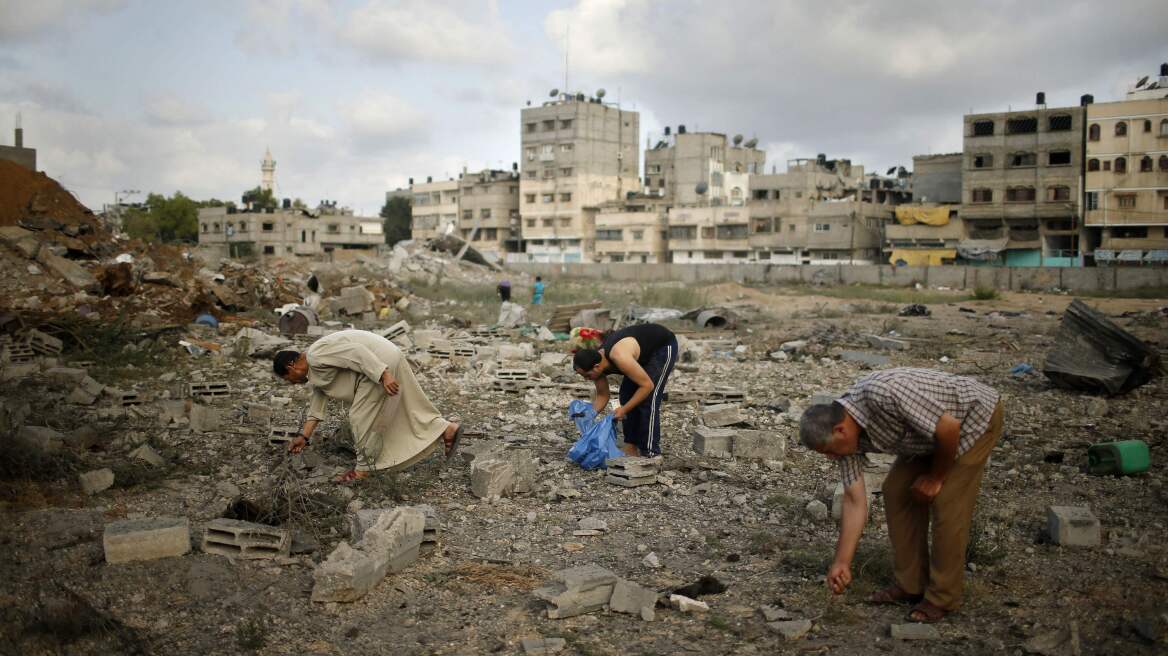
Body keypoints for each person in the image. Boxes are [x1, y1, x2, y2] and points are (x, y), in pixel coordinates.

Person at [799, 368, 1003, 623]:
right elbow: (854, 500)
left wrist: (935, 478)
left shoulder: (882, 394)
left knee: (947, 501)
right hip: (928, 438)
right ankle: (911, 584)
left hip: (974, 419)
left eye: (828, 451)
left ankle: (942, 597)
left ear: (840, 431)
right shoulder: (845, 439)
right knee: (896, 490)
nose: (831, 458)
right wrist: (841, 562)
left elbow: (949, 428)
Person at [273, 329, 462, 482]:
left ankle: (362, 471)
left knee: (359, 417)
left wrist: (383, 374)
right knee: (402, 406)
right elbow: (318, 402)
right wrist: (304, 437)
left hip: (380, 361)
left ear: (291, 367)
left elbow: (356, 352)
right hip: (383, 359)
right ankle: (446, 429)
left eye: (288, 379)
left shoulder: (316, 355)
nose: (291, 383)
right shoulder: (314, 369)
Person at [573, 323, 677, 457]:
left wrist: (624, 410)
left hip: (661, 346)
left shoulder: (619, 357)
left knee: (649, 399)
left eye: (587, 376)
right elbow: (603, 396)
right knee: (626, 396)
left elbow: (647, 386)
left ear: (596, 367)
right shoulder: (595, 365)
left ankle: (650, 452)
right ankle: (631, 446)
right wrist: (588, 414)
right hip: (638, 354)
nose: (587, 379)